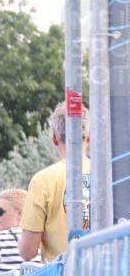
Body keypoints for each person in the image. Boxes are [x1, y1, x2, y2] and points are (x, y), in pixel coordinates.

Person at [19, 102, 91, 264]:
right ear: (89, 137)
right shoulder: (109, 176)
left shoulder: (42, 180)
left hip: (64, 275)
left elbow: (27, 251)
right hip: (110, 274)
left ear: (54, 138)